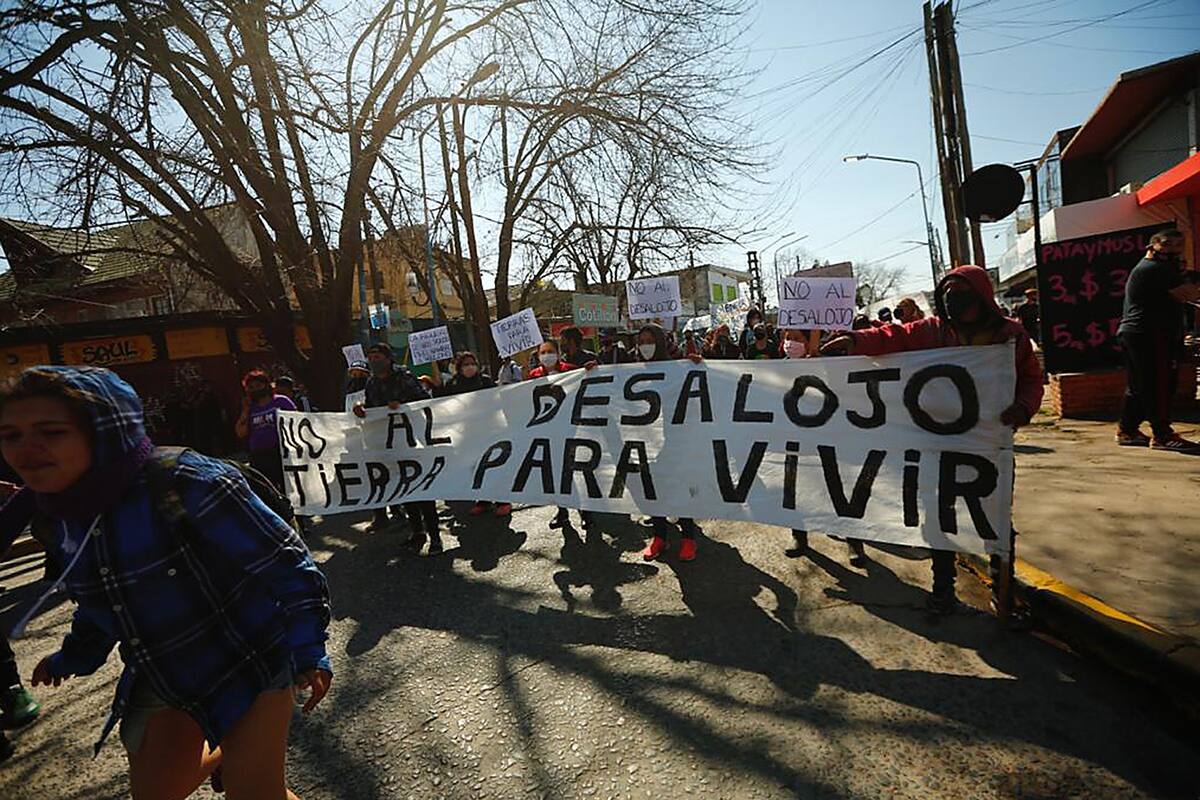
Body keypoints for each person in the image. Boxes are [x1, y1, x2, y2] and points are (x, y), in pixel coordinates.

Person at [0, 366, 331, 798]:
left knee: (256, 793)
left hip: (248, 659)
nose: (27, 448)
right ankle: (231, 751)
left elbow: (288, 565)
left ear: (104, 431)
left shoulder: (189, 481)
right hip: (164, 674)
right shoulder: (59, 516)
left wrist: (309, 649)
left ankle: (244, 755)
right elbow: (102, 602)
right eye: (10, 435)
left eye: (52, 432)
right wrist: (72, 657)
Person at [822, 265, 1044, 616]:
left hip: (988, 446)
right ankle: (943, 591)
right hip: (936, 446)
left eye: (962, 296)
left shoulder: (1009, 335)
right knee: (939, 518)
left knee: (997, 516)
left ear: (982, 297)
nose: (955, 303)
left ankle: (1003, 592)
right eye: (948, 296)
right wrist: (856, 340)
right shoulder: (933, 330)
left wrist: (1023, 407)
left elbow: (1031, 378)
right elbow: (894, 337)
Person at [352, 343, 444, 553]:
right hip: (391, 445)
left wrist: (402, 404)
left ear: (388, 358)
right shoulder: (372, 383)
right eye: (370, 357)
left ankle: (435, 537)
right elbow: (372, 409)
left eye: (377, 356)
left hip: (413, 442)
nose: (373, 361)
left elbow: (423, 401)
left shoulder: (404, 376)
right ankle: (417, 533)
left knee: (423, 491)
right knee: (405, 490)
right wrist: (361, 409)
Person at [1115, 229, 1200, 453]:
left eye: (1179, 245)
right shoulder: (1156, 269)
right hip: (1150, 334)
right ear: (1152, 246)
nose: (1174, 250)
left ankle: (1127, 430)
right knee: (1159, 385)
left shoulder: (1155, 268)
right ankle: (1162, 435)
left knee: (1140, 386)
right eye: (1167, 244)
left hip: (1138, 333)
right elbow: (1188, 295)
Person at [634, 324, 705, 562]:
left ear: (661, 342)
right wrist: (592, 372)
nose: (645, 346)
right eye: (641, 342)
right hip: (648, 442)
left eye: (649, 340)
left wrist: (697, 366)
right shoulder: (631, 371)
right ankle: (659, 537)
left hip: (676, 440)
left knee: (679, 486)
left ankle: (688, 538)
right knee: (653, 490)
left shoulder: (677, 368)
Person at [526, 341, 593, 530]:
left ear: (557, 353)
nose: (547, 355)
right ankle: (562, 512)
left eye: (550, 351)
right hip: (548, 431)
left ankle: (585, 511)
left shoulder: (571, 370)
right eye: (543, 352)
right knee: (555, 473)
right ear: (538, 355)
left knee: (575, 470)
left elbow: (584, 387)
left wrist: (589, 371)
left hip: (571, 428)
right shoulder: (534, 375)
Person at [435, 351, 511, 518]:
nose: (470, 367)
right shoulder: (452, 384)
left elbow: (496, 401)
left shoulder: (485, 381)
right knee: (474, 468)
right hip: (465, 434)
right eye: (465, 364)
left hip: (487, 431)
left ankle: (503, 501)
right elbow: (442, 404)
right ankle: (483, 500)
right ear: (459, 367)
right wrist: (436, 385)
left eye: (472, 363)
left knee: (492, 465)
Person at [235, 369, 295, 495]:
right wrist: (245, 411)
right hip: (259, 455)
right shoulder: (251, 408)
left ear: (266, 385)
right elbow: (241, 433)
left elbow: (295, 421)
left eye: (258, 385)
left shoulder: (281, 401)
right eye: (251, 387)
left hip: (280, 452)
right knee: (266, 491)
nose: (255, 389)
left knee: (288, 489)